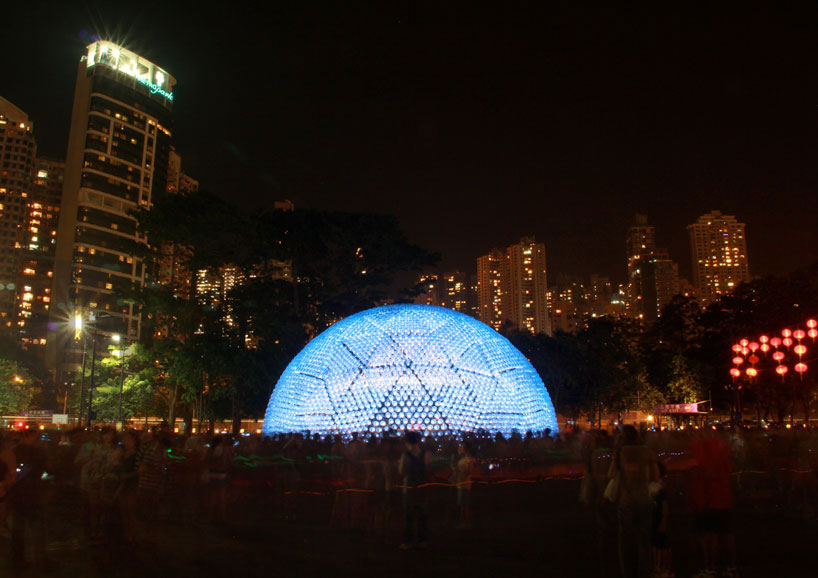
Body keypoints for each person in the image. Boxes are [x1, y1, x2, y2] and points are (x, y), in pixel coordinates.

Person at [609, 425, 659, 578]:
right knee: (644, 539)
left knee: (626, 540)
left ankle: (628, 571)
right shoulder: (647, 451)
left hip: (626, 500)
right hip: (644, 498)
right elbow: (655, 476)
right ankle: (645, 570)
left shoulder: (620, 453)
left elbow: (611, 475)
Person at [398, 430, 431, 549]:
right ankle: (422, 540)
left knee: (408, 516)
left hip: (409, 488)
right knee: (422, 515)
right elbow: (428, 469)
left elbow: (401, 471)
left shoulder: (405, 455)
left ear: (406, 441)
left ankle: (408, 541)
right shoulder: (426, 454)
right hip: (422, 488)